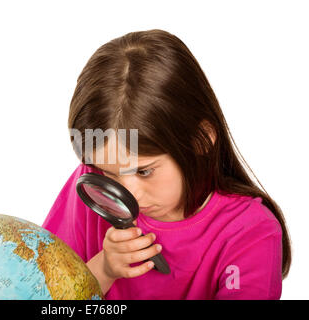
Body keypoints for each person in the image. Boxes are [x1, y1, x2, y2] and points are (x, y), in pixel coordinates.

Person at [42, 29, 291, 299]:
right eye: (108, 172)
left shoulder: (249, 232)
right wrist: (104, 269)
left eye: (144, 171)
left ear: (200, 140)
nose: (128, 195)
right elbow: (44, 295)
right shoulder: (93, 187)